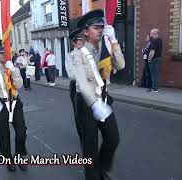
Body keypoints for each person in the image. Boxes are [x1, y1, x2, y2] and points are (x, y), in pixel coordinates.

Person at [72, 10, 125, 180]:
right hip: (87, 103)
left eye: (102, 27)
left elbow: (121, 65)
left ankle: (101, 169)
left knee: (112, 138)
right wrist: (94, 105)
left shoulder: (105, 49)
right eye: (96, 27)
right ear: (86, 32)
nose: (100, 30)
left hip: (103, 99)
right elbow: (81, 82)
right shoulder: (78, 55)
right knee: (90, 148)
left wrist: (114, 41)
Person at [0, 40, 28, 172]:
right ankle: (8, 159)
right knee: (3, 135)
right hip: (1, 104)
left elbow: (19, 85)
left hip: (15, 101)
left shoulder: (12, 67)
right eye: (2, 53)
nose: (5, 55)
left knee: (21, 132)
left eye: (7, 52)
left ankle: (20, 156)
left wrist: (14, 70)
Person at [65, 28, 86, 147]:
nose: (83, 42)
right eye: (80, 40)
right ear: (74, 42)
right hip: (76, 87)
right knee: (79, 115)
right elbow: (72, 74)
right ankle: (83, 138)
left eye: (84, 39)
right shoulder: (71, 56)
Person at [148, 28, 163, 92]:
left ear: (154, 34)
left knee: (153, 75)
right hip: (159, 58)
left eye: (151, 33)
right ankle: (155, 88)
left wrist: (149, 59)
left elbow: (152, 52)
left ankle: (154, 89)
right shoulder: (160, 40)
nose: (150, 35)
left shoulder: (154, 41)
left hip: (154, 59)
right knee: (156, 74)